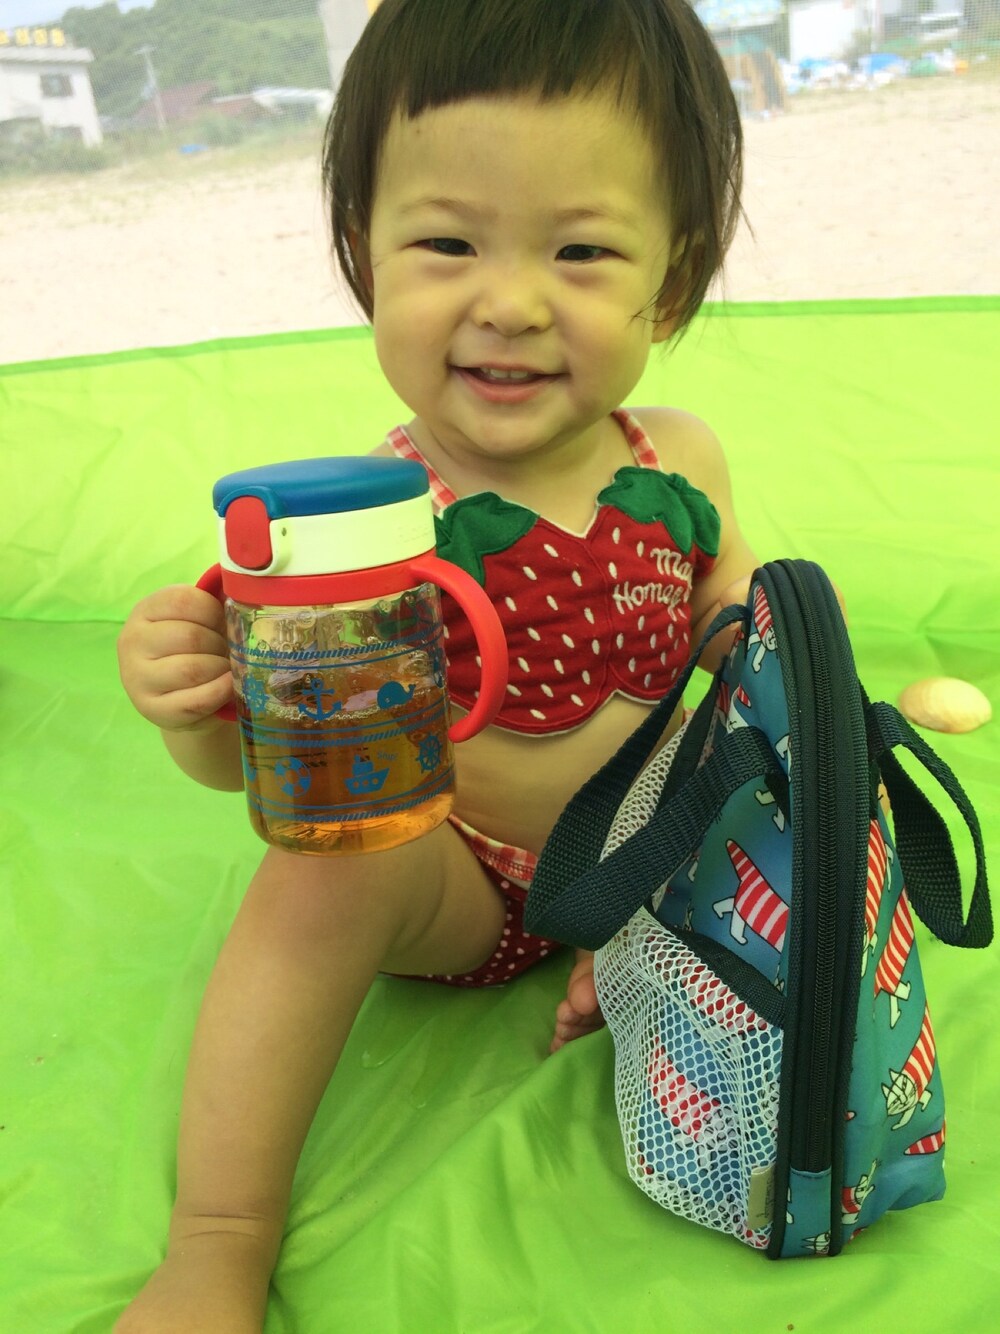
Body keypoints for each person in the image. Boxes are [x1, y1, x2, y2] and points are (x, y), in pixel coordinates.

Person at [114, 2, 761, 1328]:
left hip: (653, 851)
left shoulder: (678, 457)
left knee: (791, 770)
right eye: (448, 243)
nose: (509, 304)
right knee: (326, 865)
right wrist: (196, 704)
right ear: (366, 252)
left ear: (673, 278)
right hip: (462, 876)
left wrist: (778, 649)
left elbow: (735, 620)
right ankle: (219, 1236)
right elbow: (262, 757)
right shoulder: (365, 519)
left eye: (581, 251)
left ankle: (649, 960)